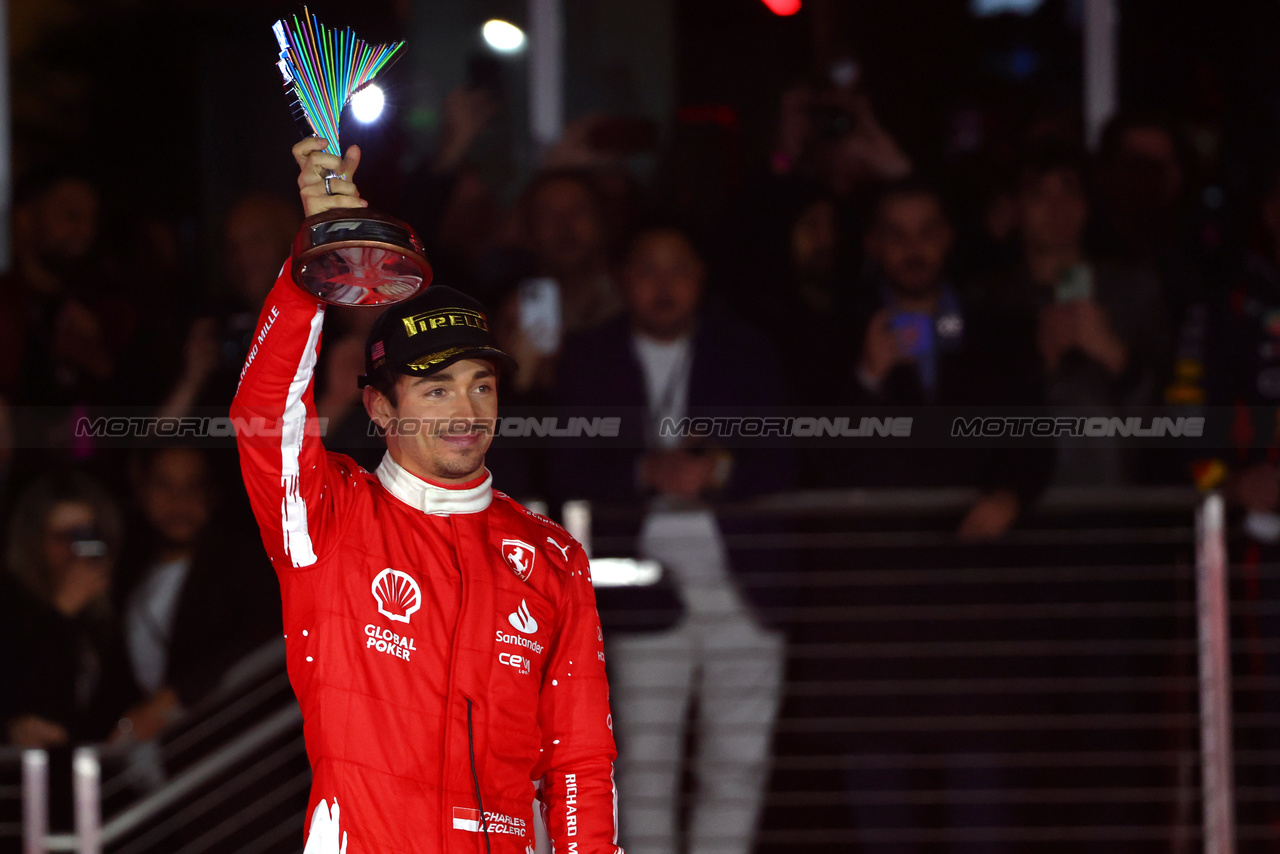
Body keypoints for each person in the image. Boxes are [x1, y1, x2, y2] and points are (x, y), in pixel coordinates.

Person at [231, 136, 621, 854]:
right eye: (436, 389)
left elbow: (579, 763)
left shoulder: (552, 558)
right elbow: (264, 419)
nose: (465, 412)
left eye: (481, 386)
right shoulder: (329, 520)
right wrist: (309, 274)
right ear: (379, 410)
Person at [551, 224, 790, 854]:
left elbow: (789, 455)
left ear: (701, 277)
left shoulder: (747, 350)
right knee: (643, 771)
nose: (663, 285)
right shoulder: (590, 356)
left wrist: (718, 469)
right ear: (624, 280)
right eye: (648, 270)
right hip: (637, 588)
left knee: (737, 767)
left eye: (677, 269)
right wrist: (641, 471)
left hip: (745, 587)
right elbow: (563, 464)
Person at [840, 178, 1051, 537]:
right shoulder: (840, 331)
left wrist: (1011, 493)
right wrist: (868, 379)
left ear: (949, 236)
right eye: (896, 235)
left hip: (981, 553)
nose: (913, 248)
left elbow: (1034, 430)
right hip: (884, 558)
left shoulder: (998, 327)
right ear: (871, 243)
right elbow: (824, 454)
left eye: (927, 232)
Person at [113, 446, 281, 735]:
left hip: (232, 748)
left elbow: (263, 633)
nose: (179, 500)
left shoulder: (242, 563)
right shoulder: (122, 574)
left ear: (211, 493)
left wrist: (177, 696)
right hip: (150, 759)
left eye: (193, 486)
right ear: (141, 491)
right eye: (163, 485)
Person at [0, 470, 140, 746]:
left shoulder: (103, 615)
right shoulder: (10, 606)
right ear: (35, 542)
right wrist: (62, 612)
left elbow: (117, 704)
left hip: (93, 771)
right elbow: (25, 697)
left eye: (85, 535)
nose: (73, 549)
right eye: (61, 537)